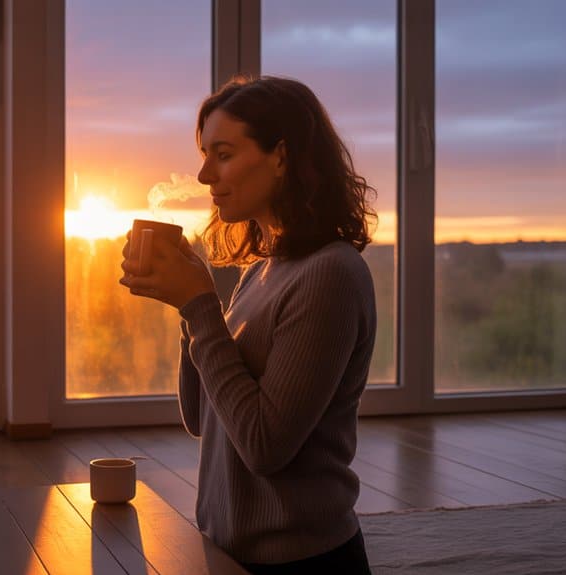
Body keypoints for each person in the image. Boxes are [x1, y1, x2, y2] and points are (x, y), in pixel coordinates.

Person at [119, 75, 377, 574]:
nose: (202, 175)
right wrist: (188, 303)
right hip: (225, 551)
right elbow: (201, 416)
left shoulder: (331, 275)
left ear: (281, 156)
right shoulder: (261, 271)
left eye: (223, 153)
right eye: (204, 154)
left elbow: (264, 446)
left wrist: (199, 306)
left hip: (302, 560)